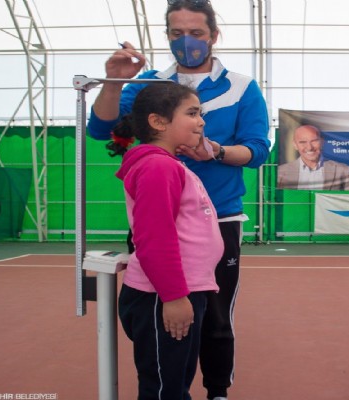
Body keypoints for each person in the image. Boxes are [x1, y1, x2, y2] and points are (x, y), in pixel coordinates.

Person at [87, 1, 271, 398]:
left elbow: (258, 150)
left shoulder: (242, 86)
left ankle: (216, 390)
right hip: (158, 219)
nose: (186, 41)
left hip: (218, 220)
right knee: (164, 316)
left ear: (214, 35)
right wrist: (114, 82)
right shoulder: (149, 84)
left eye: (196, 33)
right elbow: (101, 129)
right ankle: (166, 383)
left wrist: (216, 151)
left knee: (214, 318)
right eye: (176, 33)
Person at [110, 82, 223, 399]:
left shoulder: (167, 164)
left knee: (175, 382)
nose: (201, 121)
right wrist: (173, 297)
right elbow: (154, 237)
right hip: (162, 296)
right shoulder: (157, 166)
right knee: (164, 389)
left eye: (200, 113)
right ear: (158, 121)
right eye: (192, 113)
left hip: (179, 291)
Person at [277, 124, 349, 190]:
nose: (309, 147)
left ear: (322, 142)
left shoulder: (343, 171)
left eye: (314, 141)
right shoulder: (280, 172)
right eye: (303, 142)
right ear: (295, 145)